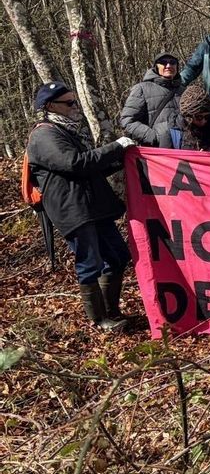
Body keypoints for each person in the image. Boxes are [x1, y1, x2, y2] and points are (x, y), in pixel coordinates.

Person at [26, 82, 138, 331]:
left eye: (74, 101)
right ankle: (99, 320)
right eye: (69, 103)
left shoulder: (68, 131)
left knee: (118, 256)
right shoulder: (44, 135)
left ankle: (111, 311)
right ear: (50, 106)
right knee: (89, 263)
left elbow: (91, 166)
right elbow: (74, 163)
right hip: (72, 209)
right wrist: (115, 147)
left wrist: (123, 157)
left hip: (93, 206)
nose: (75, 107)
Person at [120, 52, 183, 148]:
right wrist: (154, 137)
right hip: (157, 152)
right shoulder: (142, 89)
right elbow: (127, 121)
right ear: (156, 67)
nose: (168, 65)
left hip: (186, 149)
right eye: (163, 62)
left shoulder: (185, 91)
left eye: (172, 62)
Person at [173, 85, 210, 152]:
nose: (203, 121)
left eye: (207, 117)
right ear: (188, 116)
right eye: (199, 117)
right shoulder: (174, 131)